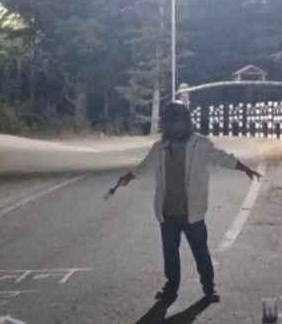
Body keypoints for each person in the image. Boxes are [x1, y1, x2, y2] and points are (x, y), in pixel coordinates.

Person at [111, 101, 261, 304]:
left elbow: (222, 158)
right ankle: (171, 287)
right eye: (170, 122)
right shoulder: (160, 148)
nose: (174, 126)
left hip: (193, 213)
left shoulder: (199, 144)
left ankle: (208, 287)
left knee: (200, 252)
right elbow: (145, 165)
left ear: (186, 122)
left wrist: (245, 169)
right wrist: (129, 176)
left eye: (178, 121)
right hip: (167, 212)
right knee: (170, 253)